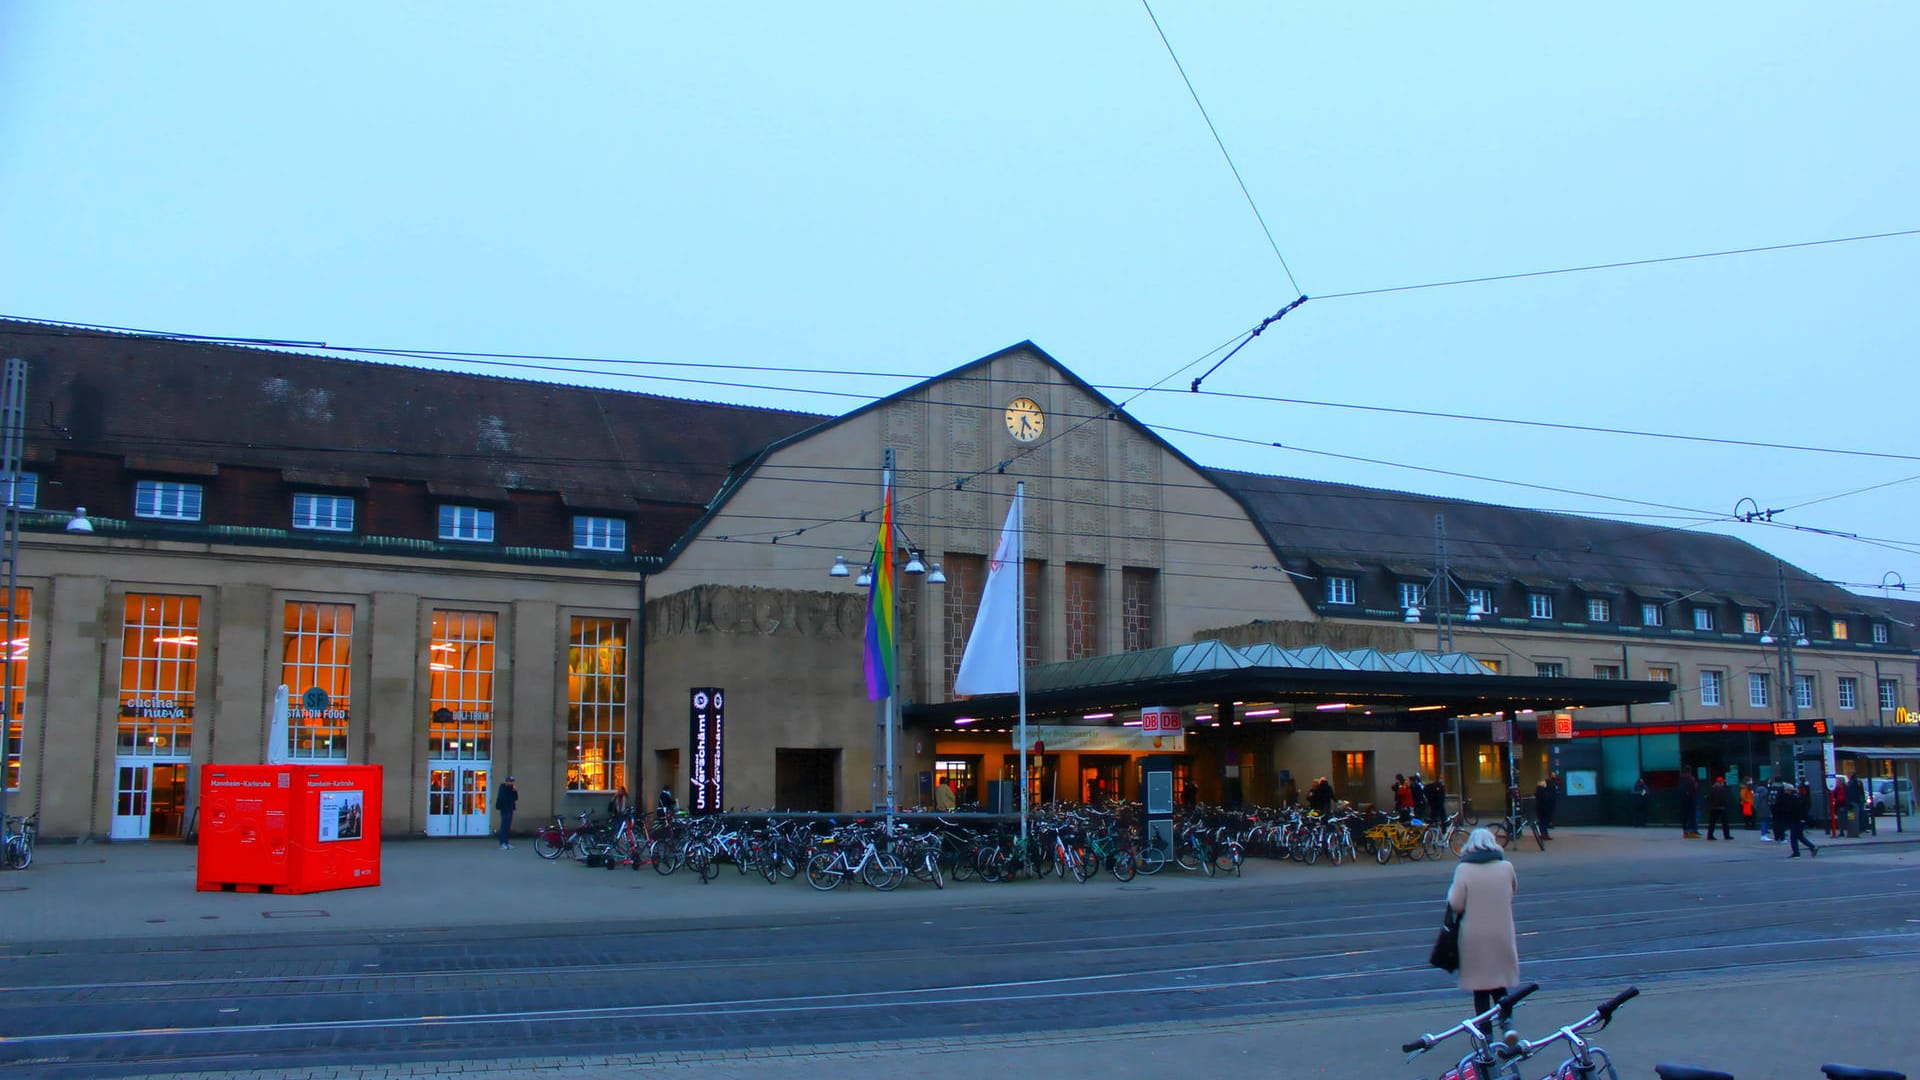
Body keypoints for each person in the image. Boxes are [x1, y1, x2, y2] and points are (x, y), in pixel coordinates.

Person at [1446, 827, 1520, 1024]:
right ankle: (1508, 1025)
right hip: (1501, 933)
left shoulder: (1464, 869)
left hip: (1474, 935)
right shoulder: (1506, 867)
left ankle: (1485, 1036)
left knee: (1480, 989)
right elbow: (1511, 893)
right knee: (1499, 984)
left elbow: (1456, 903)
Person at [1786, 781, 1819, 858]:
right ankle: (1812, 847)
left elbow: (1795, 809)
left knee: (1794, 837)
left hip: (1797, 820)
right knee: (1799, 836)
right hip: (1799, 819)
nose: (1785, 791)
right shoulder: (1798, 796)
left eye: (1786, 790)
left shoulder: (1794, 798)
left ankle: (1796, 853)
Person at [1704, 776, 1732, 840]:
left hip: (1713, 808)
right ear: (1721, 782)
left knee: (1712, 823)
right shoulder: (1722, 789)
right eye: (1723, 782)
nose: (1723, 783)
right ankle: (1726, 835)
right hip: (1721, 808)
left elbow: (1708, 798)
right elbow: (1724, 798)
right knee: (1725, 823)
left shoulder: (1712, 789)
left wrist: (1710, 806)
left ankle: (1710, 835)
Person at [496, 775, 518, 850]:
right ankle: (502, 843)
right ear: (506, 781)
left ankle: (507, 842)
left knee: (508, 826)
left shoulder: (512, 788)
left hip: (510, 808)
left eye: (512, 781)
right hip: (504, 809)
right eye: (510, 781)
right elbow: (501, 798)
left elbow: (515, 798)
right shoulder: (503, 788)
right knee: (504, 826)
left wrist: (515, 791)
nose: (511, 783)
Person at [1533, 775, 1558, 839]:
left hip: (1541, 808)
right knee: (1544, 821)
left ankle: (1544, 834)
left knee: (1542, 821)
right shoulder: (1550, 787)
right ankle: (1544, 834)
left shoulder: (1541, 788)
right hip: (1545, 808)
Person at [1679, 772, 1700, 838]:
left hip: (1687, 803)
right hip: (1689, 803)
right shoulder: (1689, 787)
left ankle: (1688, 831)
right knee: (1690, 816)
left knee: (1687, 816)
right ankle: (1690, 831)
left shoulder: (1684, 785)